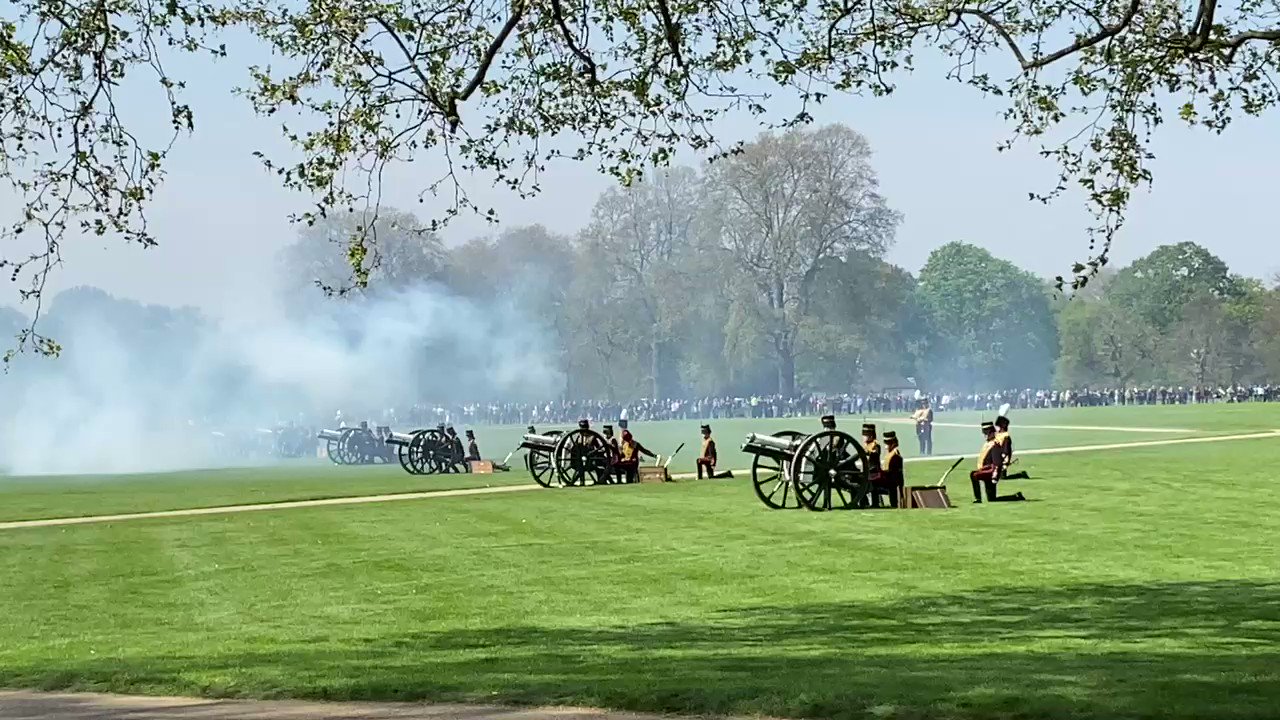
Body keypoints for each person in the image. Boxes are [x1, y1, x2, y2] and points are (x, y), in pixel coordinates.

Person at [971, 421, 1025, 503]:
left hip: (991, 471)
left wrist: (995, 475)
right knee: (992, 499)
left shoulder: (994, 444)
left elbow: (997, 462)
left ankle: (978, 498)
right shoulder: (989, 443)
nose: (985, 435)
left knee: (974, 475)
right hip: (986, 470)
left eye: (986, 432)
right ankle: (1016, 496)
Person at [872, 430, 904, 507]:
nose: (886, 446)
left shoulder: (895, 455)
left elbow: (892, 472)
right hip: (888, 479)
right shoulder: (889, 454)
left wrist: (880, 473)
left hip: (892, 482)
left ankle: (875, 504)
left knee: (873, 485)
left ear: (892, 444)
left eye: (887, 443)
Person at [993, 415, 1030, 480]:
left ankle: (1020, 475)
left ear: (1001, 427)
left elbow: (1006, 451)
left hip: (1001, 460)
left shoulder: (1006, 437)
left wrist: (1005, 461)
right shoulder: (997, 434)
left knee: (1002, 477)